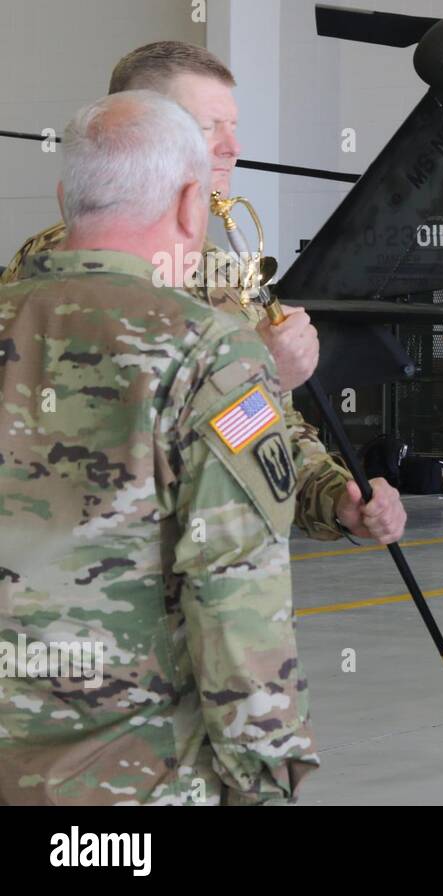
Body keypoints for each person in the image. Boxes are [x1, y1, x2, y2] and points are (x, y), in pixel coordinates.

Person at [0, 91, 318, 804]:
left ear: (66, 196)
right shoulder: (209, 352)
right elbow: (235, 592)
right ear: (188, 203)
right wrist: (266, 782)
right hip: (135, 787)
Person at [0, 40, 405, 545]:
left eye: (233, 126)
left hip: (218, 584)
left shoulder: (218, 270)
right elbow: (109, 447)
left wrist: (335, 497)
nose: (231, 146)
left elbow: (263, 427)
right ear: (136, 128)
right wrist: (265, 375)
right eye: (207, 126)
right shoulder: (59, 272)